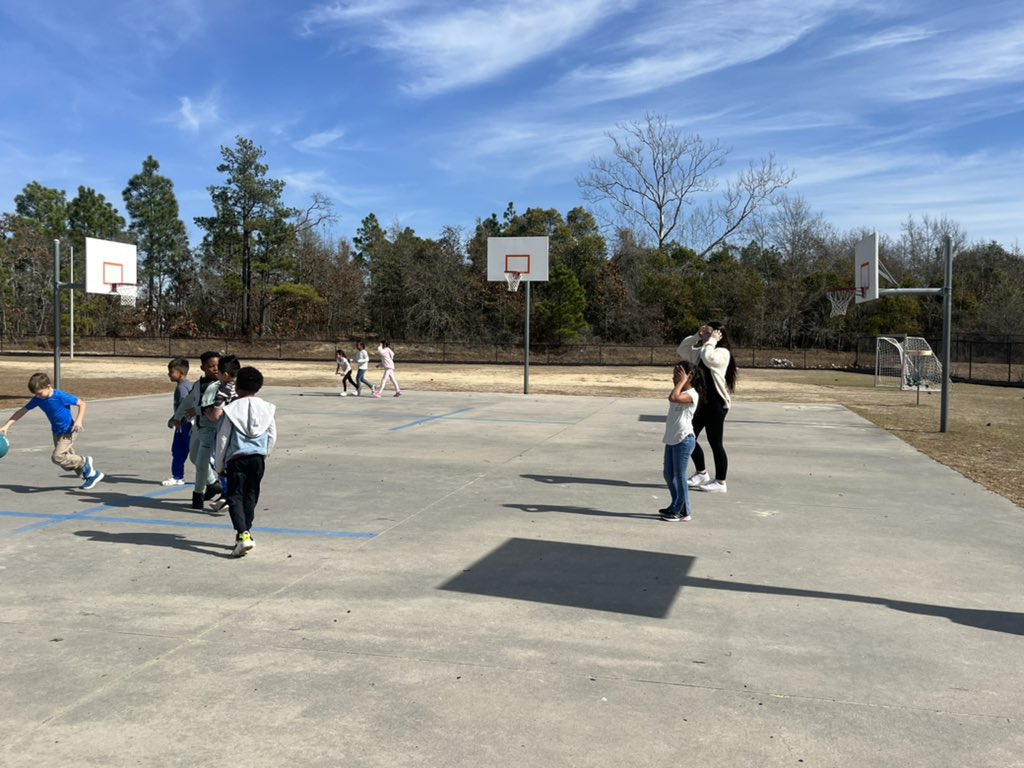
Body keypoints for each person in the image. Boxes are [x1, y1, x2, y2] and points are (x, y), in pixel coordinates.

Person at [0, 372, 104, 490]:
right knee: (67, 462)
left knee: (58, 457)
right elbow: (22, 411)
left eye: (39, 393)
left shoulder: (60, 396)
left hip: (68, 430)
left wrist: (78, 421)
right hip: (56, 432)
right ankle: (92, 475)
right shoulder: (38, 399)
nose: (38, 396)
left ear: (49, 387)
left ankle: (85, 461)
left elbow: (82, 404)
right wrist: (7, 425)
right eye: (36, 394)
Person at [213, 366, 277, 558]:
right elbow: (272, 435)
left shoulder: (231, 409)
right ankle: (246, 531)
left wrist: (219, 465)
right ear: (258, 386)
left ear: (237, 386)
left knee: (235, 496)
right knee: (251, 495)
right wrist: (264, 454)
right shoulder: (267, 408)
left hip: (237, 459)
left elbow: (222, 439)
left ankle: (243, 534)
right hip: (258, 459)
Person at [677, 321, 738, 493]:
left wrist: (710, 341)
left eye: (708, 333)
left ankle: (720, 482)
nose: (705, 335)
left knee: (715, 443)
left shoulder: (722, 352)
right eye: (704, 332)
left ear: (719, 336)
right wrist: (696, 336)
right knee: (688, 437)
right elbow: (682, 350)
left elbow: (708, 358)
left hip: (716, 405)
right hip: (701, 405)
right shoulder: (702, 351)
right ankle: (701, 473)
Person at [173, 350, 221, 509]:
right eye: (211, 366)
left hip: (211, 429)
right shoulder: (198, 384)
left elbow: (218, 407)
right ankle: (213, 483)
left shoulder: (222, 386)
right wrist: (178, 416)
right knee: (193, 458)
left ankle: (198, 496)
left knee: (201, 464)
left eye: (217, 366)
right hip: (197, 428)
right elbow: (188, 401)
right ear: (202, 368)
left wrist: (198, 410)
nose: (215, 369)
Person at [660, 360, 702, 522]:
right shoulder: (679, 390)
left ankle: (681, 510)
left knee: (679, 476)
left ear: (689, 376)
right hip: (671, 439)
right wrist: (680, 381)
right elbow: (673, 396)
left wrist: (682, 381)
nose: (673, 377)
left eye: (677, 374)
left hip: (684, 439)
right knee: (668, 475)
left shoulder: (692, 395)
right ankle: (678, 506)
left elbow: (673, 397)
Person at [207, 354, 242, 513]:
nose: (217, 375)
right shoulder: (242, 386)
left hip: (226, 432)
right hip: (243, 432)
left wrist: (206, 412)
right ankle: (228, 495)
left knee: (218, 462)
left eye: (219, 372)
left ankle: (227, 495)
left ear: (225, 375)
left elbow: (216, 415)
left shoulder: (223, 389)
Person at [162, 358, 193, 486]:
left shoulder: (183, 388)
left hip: (186, 424)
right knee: (178, 450)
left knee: (195, 452)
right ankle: (177, 476)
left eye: (171, 372)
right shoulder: (183, 386)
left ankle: (215, 477)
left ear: (180, 373)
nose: (169, 374)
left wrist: (176, 419)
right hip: (181, 424)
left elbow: (185, 406)